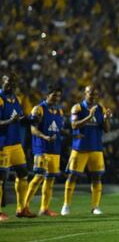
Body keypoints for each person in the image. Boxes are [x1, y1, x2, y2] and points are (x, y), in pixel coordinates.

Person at [61, 85, 112, 215]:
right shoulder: (77, 107)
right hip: (80, 148)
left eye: (95, 94)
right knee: (73, 176)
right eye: (90, 93)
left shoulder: (100, 108)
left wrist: (106, 119)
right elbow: (73, 125)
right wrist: (89, 116)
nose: (93, 96)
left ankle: (95, 207)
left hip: (96, 148)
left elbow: (106, 129)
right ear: (85, 94)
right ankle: (66, 205)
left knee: (96, 177)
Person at [22, 84, 64, 217]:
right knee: (38, 177)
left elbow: (58, 129)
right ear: (47, 95)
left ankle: (44, 208)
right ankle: (24, 206)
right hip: (41, 148)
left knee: (50, 179)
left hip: (54, 149)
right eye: (54, 95)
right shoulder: (39, 109)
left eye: (58, 96)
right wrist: (45, 136)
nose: (56, 98)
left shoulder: (60, 111)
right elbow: (32, 129)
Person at [0, 73, 37, 220]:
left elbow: (19, 119)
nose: (12, 85)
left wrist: (30, 120)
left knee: (23, 174)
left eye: (14, 82)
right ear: (2, 82)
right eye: (9, 82)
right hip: (3, 144)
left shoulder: (16, 99)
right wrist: (9, 121)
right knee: (1, 178)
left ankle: (22, 208)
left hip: (16, 144)